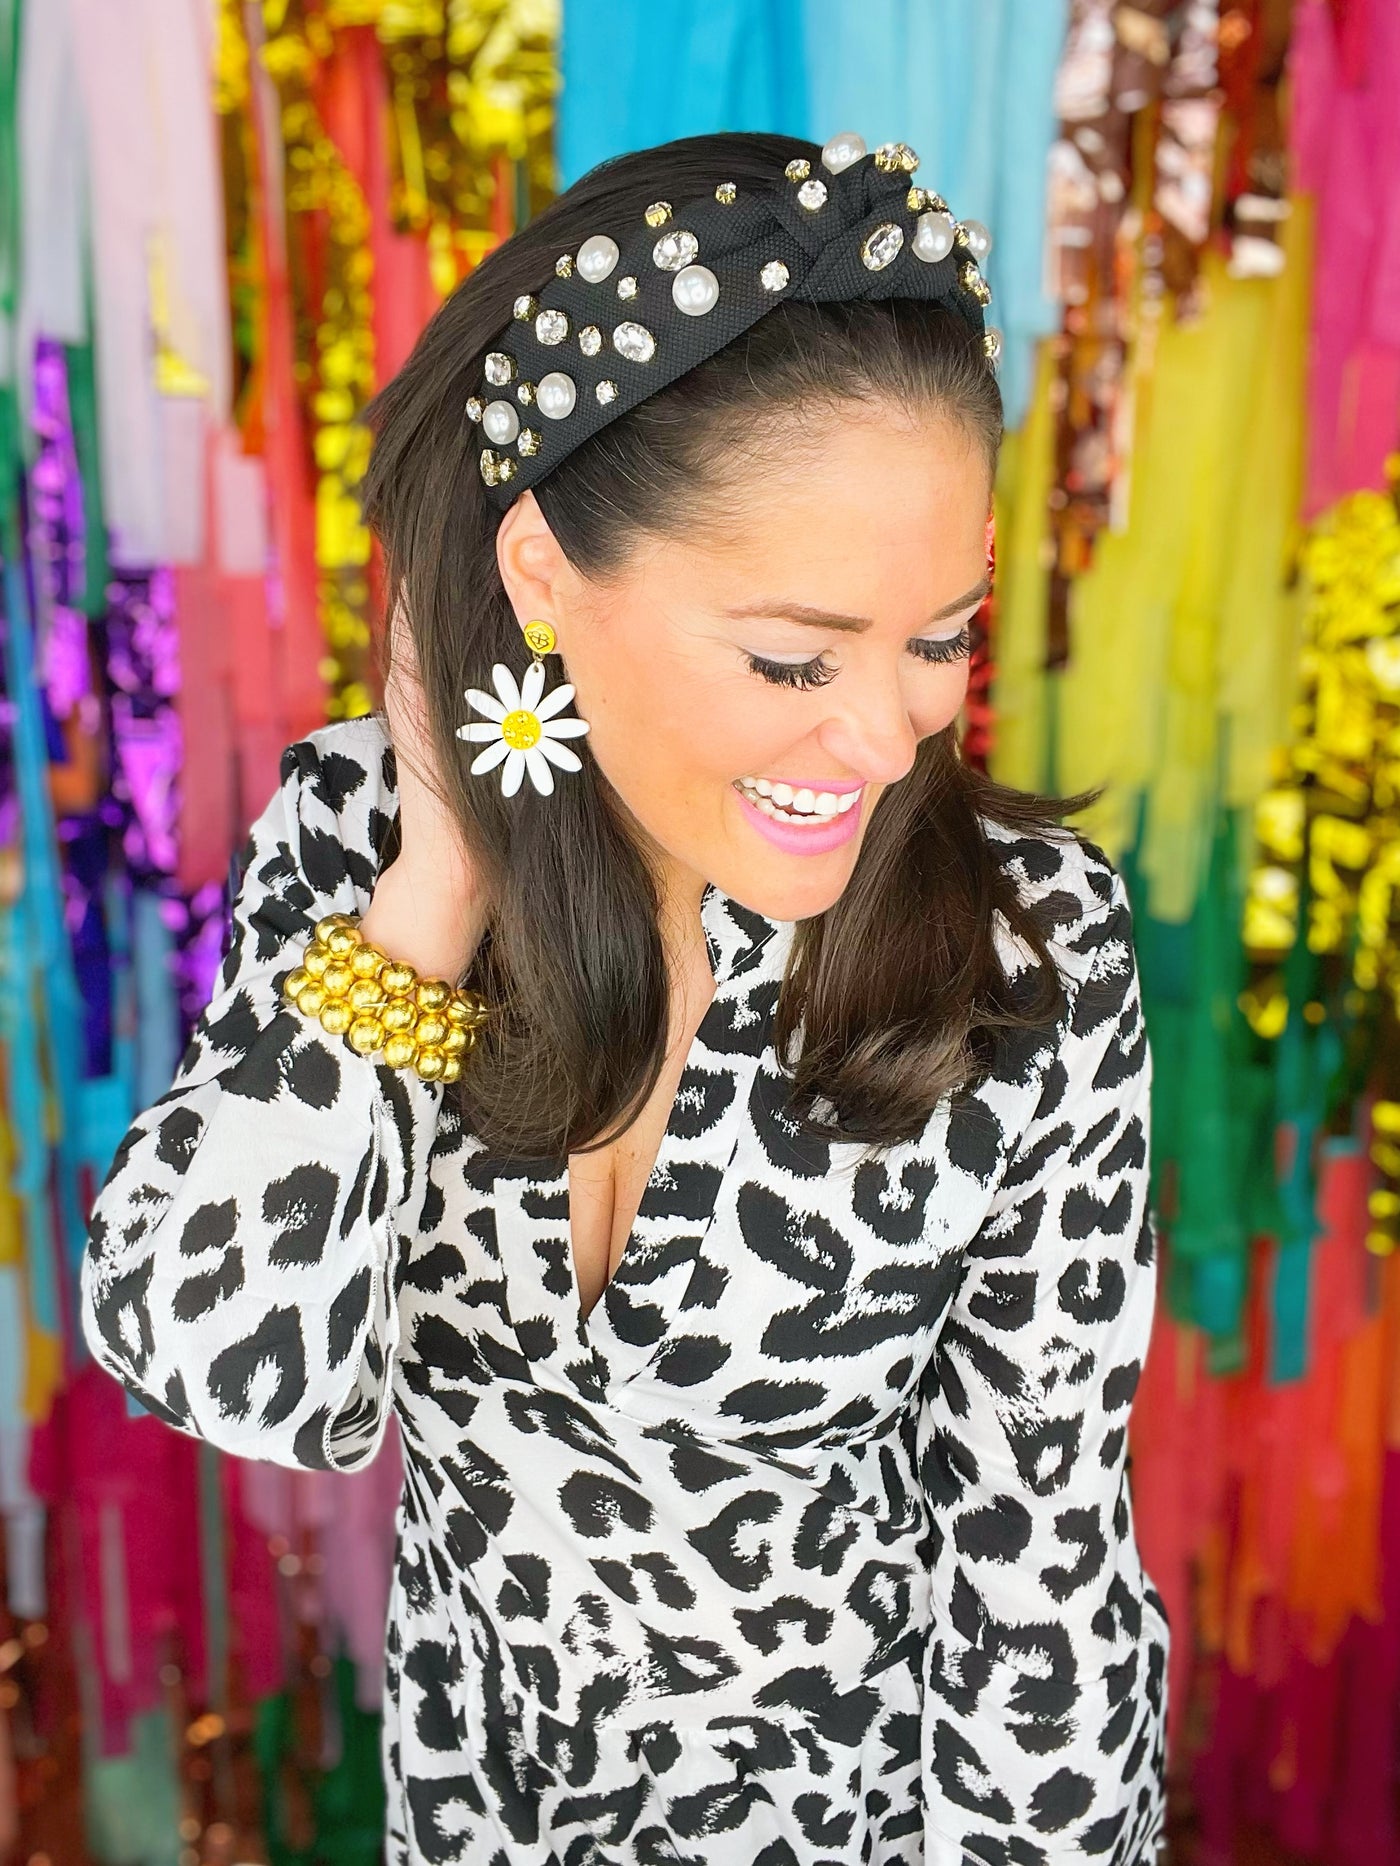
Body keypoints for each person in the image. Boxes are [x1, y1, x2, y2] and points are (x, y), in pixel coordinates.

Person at [80, 129, 1169, 1865]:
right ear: (540, 577)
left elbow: (1039, 1570)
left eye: (939, 637)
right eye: (796, 656)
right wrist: (441, 878)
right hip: (477, 1820)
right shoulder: (361, 841)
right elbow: (235, 1376)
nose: (886, 741)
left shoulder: (1033, 947)